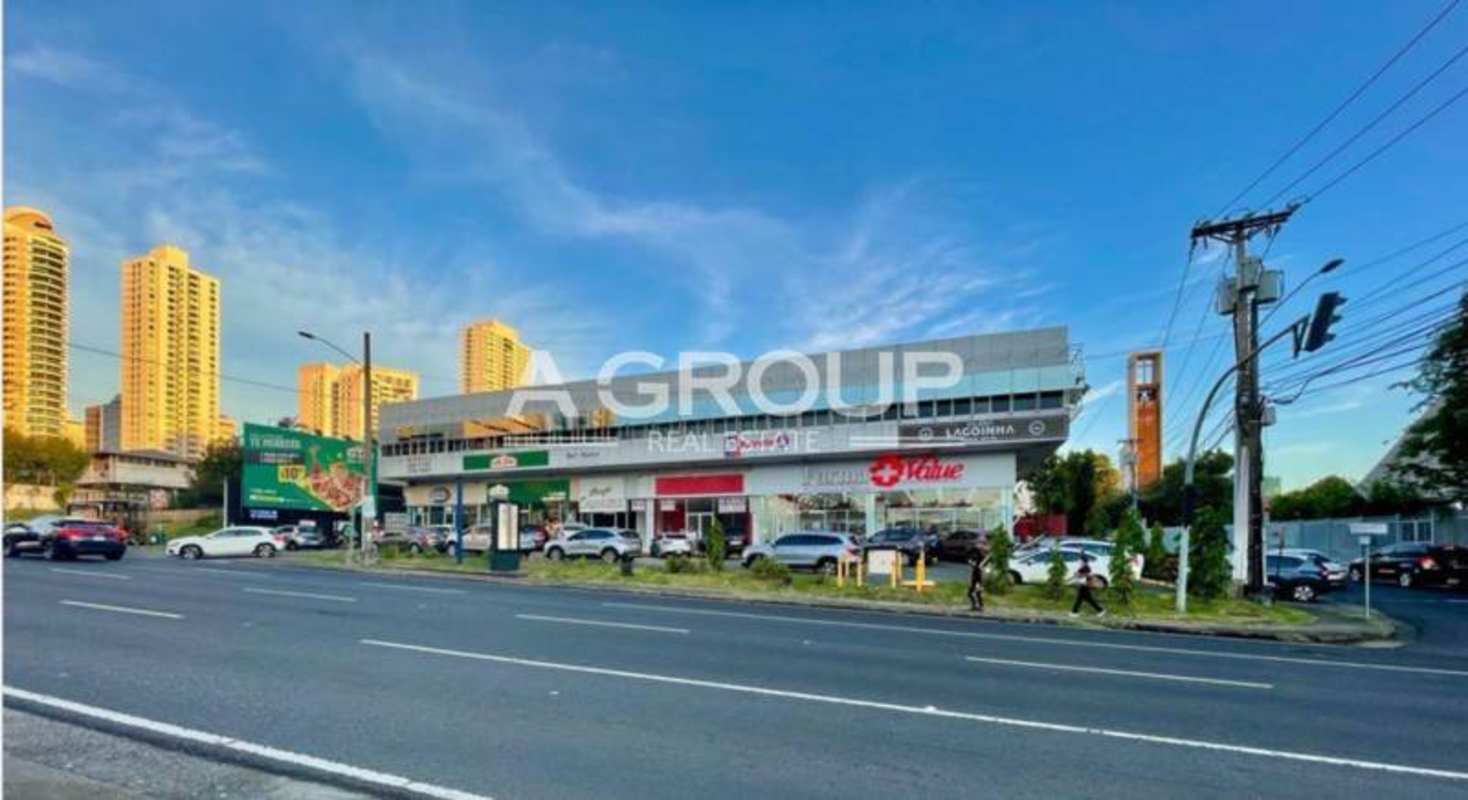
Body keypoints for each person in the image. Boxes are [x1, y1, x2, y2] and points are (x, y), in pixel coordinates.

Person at [1071, 552, 1106, 617]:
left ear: (1083, 561)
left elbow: (1086, 576)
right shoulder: (1084, 567)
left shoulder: (1086, 567)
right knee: (1086, 599)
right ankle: (1100, 610)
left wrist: (1077, 574)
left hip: (1085, 585)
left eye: (1080, 560)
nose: (1079, 561)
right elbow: (1082, 575)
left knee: (1081, 599)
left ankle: (1074, 612)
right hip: (1084, 585)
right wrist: (1077, 575)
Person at [966, 538, 989, 612]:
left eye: (981, 543)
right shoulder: (976, 552)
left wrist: (981, 566)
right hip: (975, 574)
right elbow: (971, 560)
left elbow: (984, 564)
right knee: (970, 593)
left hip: (979, 575)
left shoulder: (984, 555)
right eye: (978, 543)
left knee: (978, 592)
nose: (979, 545)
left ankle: (980, 606)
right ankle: (975, 606)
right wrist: (971, 562)